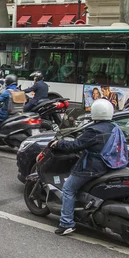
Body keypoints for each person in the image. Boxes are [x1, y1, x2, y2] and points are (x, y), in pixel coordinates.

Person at [50, 99, 117, 236]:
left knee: (68, 188)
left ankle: (66, 223)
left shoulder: (93, 130)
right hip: (111, 164)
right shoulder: (114, 127)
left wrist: (58, 144)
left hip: (93, 167)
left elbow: (75, 145)